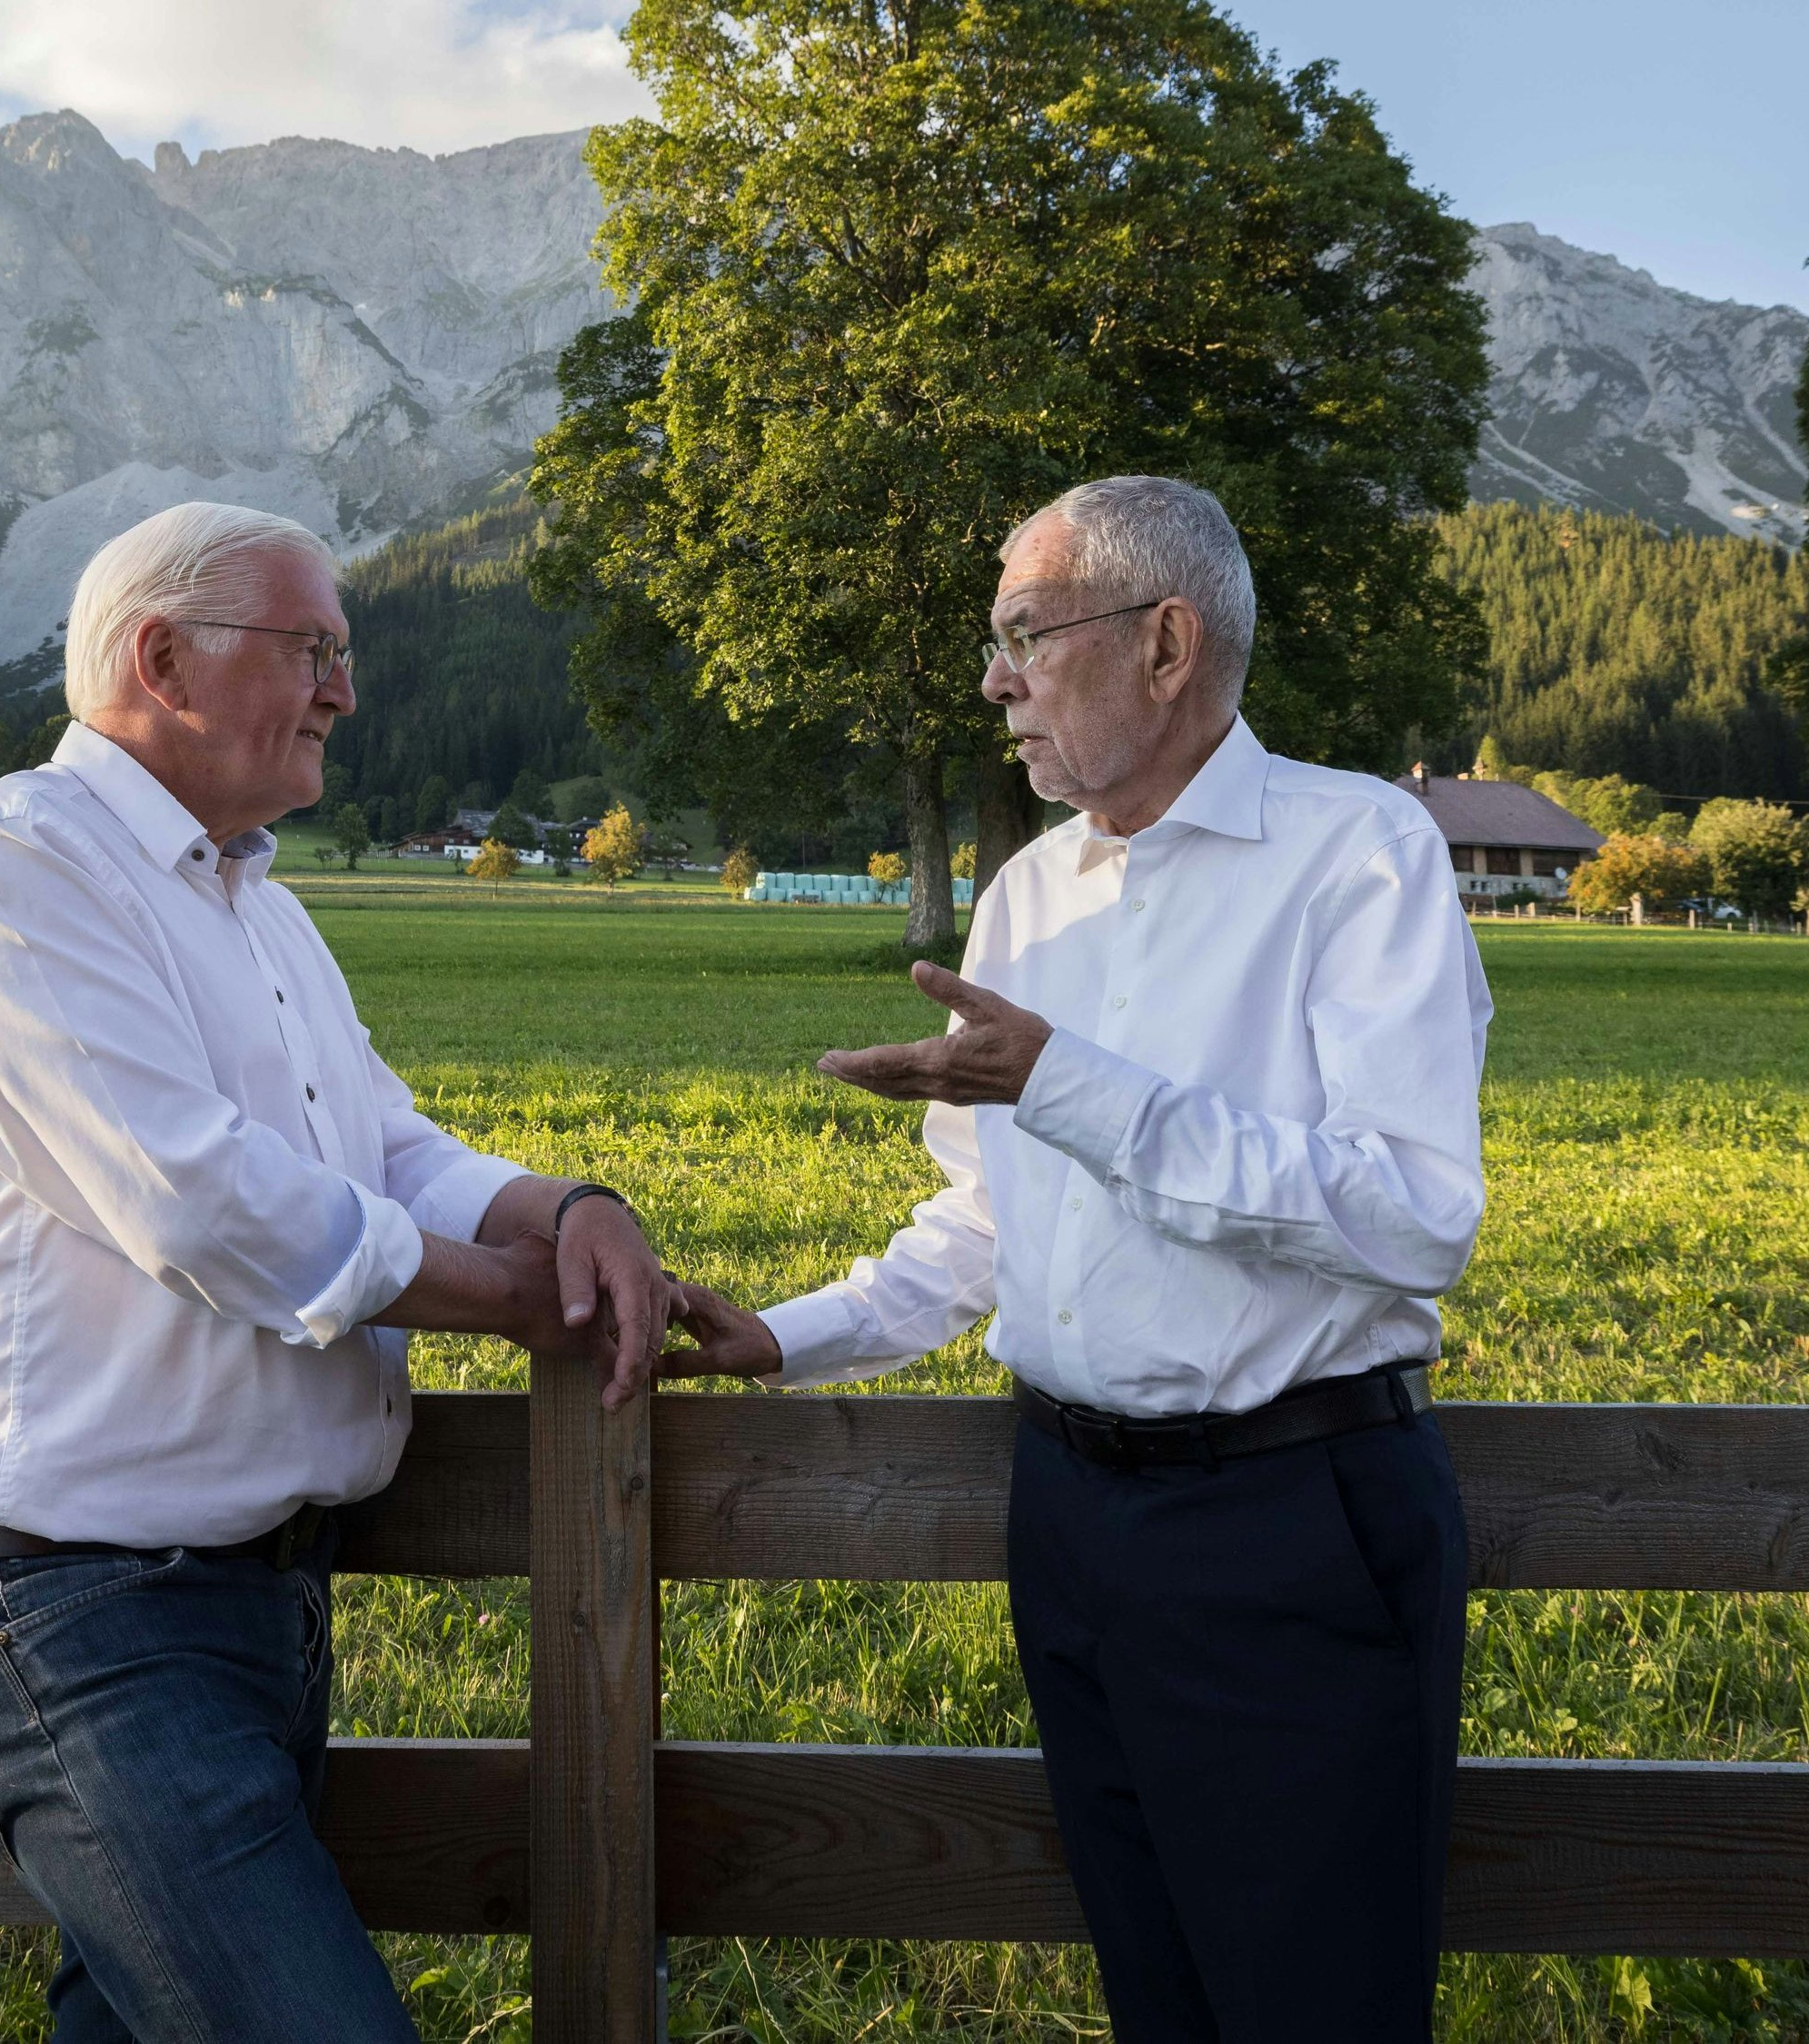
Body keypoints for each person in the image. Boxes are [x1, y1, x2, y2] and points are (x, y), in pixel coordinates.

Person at [671, 476, 1493, 2039]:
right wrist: (786, 1335)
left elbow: (1411, 1214)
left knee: (1313, 2011)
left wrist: (1066, 1082)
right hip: (1064, 1515)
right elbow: (991, 1220)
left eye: (1026, 635)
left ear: (1166, 645)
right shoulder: (1027, 896)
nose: (996, 681)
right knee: (1156, 1998)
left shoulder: (1359, 852)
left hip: (1287, 1523)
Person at [0, 501, 679, 2041]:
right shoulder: (10, 864)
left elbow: (385, 1146)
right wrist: (521, 1298)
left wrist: (564, 1205)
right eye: (314, 650)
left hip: (244, 1601)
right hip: (68, 1604)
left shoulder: (263, 906)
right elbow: (199, 1201)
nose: (345, 693)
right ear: (163, 661)